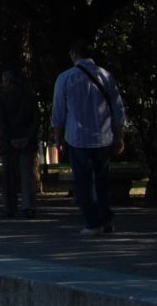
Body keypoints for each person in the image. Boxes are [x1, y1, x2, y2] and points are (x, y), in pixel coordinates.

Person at [51, 42, 126, 236]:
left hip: (78, 136)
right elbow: (118, 109)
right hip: (103, 135)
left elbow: (59, 111)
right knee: (102, 179)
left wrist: (57, 138)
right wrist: (119, 136)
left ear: (75, 54)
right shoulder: (106, 75)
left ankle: (93, 221)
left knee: (84, 181)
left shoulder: (65, 78)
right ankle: (106, 218)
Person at [0, 70, 39, 218]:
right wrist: (27, 138)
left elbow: (2, 121)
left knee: (8, 177)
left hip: (9, 143)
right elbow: (35, 120)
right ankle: (27, 205)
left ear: (8, 81)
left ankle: (9, 207)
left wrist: (10, 139)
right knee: (27, 175)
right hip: (27, 141)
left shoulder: (2, 98)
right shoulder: (30, 97)